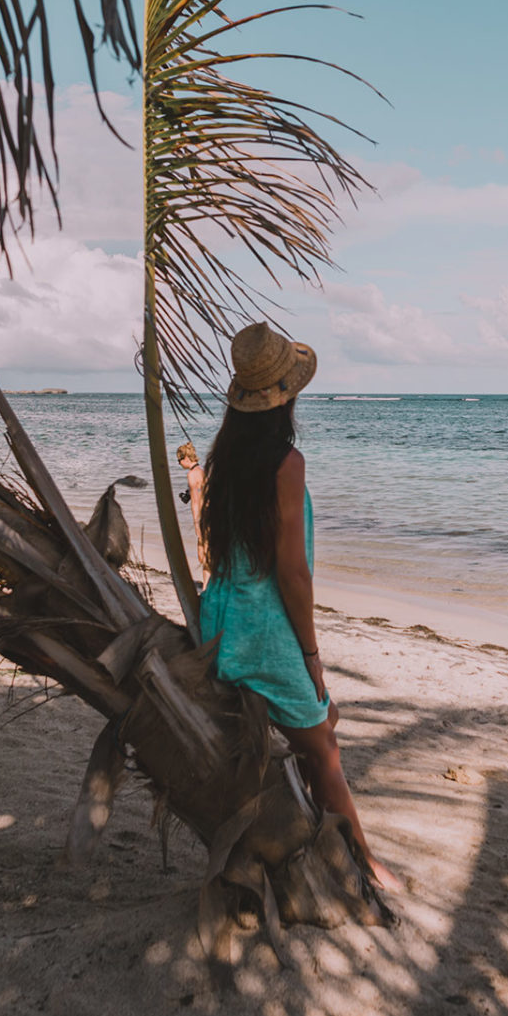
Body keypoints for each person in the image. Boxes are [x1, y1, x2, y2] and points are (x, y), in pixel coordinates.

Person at [198, 322, 398, 892]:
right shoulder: (286, 464)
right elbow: (292, 572)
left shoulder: (224, 458)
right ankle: (362, 862)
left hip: (220, 620)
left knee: (324, 721)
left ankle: (317, 833)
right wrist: (310, 653)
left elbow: (221, 550)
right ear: (286, 398)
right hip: (262, 630)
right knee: (324, 746)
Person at [175, 440, 210, 576]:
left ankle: (208, 585)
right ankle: (209, 583)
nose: (179, 464)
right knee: (203, 552)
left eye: (179, 460)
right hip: (211, 513)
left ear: (186, 458)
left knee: (204, 553)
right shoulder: (202, 471)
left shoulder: (191, 475)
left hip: (203, 516)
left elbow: (195, 502)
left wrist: (196, 523)